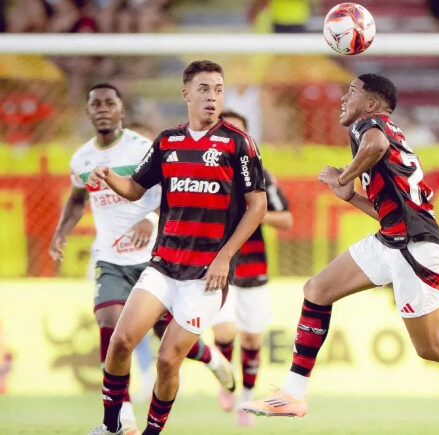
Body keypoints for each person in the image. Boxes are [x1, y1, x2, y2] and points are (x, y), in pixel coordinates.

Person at [239, 73, 439, 419]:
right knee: (317, 290)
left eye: (351, 92)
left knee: (433, 346)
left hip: (414, 246)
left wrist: (344, 176)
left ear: (372, 104)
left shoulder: (369, 126)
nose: (343, 98)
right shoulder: (387, 133)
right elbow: (390, 205)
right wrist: (350, 195)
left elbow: (375, 146)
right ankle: (293, 393)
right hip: (392, 238)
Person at [87, 60, 267, 435]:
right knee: (120, 341)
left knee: (169, 361)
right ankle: (111, 427)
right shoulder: (168, 141)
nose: (212, 96)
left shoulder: (238, 143)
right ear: (185, 94)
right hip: (163, 264)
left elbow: (258, 206)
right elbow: (136, 189)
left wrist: (224, 257)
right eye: (204, 89)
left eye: (218, 89)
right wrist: (109, 178)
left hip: (206, 276)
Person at [50, 83, 237, 435]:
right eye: (95, 104)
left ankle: (211, 359)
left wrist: (149, 219)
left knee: (168, 338)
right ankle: (122, 422)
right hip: (110, 259)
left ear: (121, 109)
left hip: (156, 259)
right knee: (112, 329)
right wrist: (61, 231)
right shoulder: (82, 158)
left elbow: (173, 190)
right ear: (88, 112)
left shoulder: (142, 147)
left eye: (110, 102)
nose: (103, 109)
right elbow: (77, 198)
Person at [211, 110, 294, 427]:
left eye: (240, 133)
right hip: (219, 266)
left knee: (251, 340)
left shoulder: (263, 176)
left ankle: (245, 397)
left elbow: (286, 219)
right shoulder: (208, 175)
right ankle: (226, 383)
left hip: (254, 266)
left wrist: (255, 212)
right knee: (225, 331)